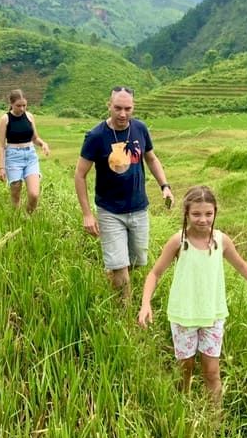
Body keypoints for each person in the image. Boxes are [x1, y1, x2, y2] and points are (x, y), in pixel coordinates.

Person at [137, 185, 247, 405]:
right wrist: (145, 303)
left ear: (215, 212)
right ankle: (184, 409)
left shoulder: (221, 241)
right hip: (184, 315)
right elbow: (155, 273)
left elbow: (242, 266)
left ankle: (216, 421)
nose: (202, 219)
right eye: (196, 214)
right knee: (184, 370)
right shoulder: (178, 241)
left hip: (213, 315)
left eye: (208, 214)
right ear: (186, 213)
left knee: (212, 373)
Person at [74, 86, 174, 302]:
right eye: (117, 108)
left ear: (133, 107)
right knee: (121, 270)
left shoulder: (140, 129)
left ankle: (113, 274)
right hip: (110, 211)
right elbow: (80, 174)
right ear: (108, 105)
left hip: (138, 208)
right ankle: (125, 314)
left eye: (127, 108)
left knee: (137, 262)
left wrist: (164, 185)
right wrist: (87, 214)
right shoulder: (96, 136)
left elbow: (151, 158)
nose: (122, 114)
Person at [0, 89, 50, 213]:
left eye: (24, 105)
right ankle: (16, 216)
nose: (22, 109)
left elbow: (35, 138)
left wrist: (43, 144)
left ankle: (28, 216)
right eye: (18, 106)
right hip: (13, 156)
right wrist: (1, 167)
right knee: (16, 190)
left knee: (34, 194)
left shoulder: (29, 116)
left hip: (30, 155)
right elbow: (0, 144)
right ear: (11, 104)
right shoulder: (5, 119)